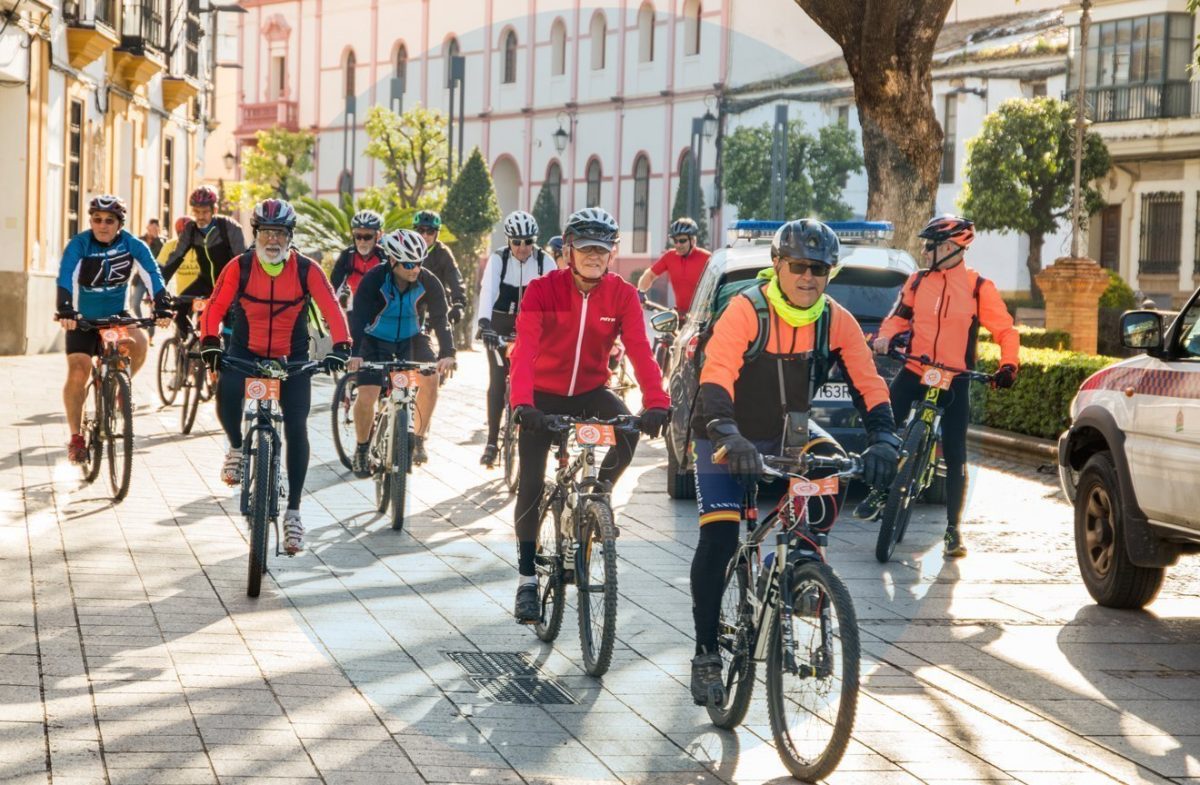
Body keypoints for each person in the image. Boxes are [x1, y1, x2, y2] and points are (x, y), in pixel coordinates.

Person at [685, 218, 901, 706]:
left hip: (790, 434)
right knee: (719, 536)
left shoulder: (834, 319)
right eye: (800, 266)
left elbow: (868, 383)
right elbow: (716, 377)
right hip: (725, 430)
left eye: (820, 269)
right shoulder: (746, 311)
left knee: (832, 462)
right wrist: (727, 434)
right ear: (778, 265)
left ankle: (804, 556)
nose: (809, 277)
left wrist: (885, 437)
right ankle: (705, 656)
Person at [507, 207, 671, 623]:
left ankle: (599, 495)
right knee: (529, 481)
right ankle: (527, 581)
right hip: (542, 396)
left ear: (612, 252)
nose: (595, 256)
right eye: (586, 248)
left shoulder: (621, 295)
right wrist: (522, 404)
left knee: (628, 432)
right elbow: (524, 350)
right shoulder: (543, 290)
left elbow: (639, 349)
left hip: (590, 392)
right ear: (569, 249)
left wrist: (656, 402)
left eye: (602, 249)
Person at [198, 199, 350, 556]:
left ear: (289, 236)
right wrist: (208, 341)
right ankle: (236, 446)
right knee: (227, 391)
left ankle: (294, 512)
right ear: (256, 234)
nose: (272, 240)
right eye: (266, 232)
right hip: (245, 351)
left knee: (297, 425)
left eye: (279, 233)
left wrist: (341, 345)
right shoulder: (240, 267)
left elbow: (331, 308)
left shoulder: (306, 270)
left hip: (291, 356)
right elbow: (215, 307)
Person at [865, 215, 1019, 559]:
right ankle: (878, 491)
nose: (924, 249)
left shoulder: (979, 287)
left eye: (930, 245)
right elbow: (897, 317)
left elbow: (1006, 331)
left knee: (955, 453)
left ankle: (953, 530)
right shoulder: (917, 282)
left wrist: (1008, 365)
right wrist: (885, 338)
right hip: (916, 369)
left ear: (949, 248)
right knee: (884, 423)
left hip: (956, 378)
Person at [56, 195, 172, 463]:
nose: (102, 225)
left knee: (140, 341)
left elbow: (152, 274)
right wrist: (65, 308)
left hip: (116, 318)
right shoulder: (79, 244)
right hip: (82, 319)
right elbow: (66, 276)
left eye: (109, 220)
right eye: (97, 219)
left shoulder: (133, 244)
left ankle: (121, 389)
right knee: (78, 371)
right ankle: (76, 438)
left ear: (120, 223)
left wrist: (162, 304)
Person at [347, 229, 457, 474]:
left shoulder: (428, 280)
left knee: (431, 378)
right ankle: (362, 448)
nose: (415, 269)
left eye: (419, 262)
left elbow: (441, 319)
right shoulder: (374, 279)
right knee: (367, 394)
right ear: (393, 260)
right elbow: (358, 319)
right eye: (409, 264)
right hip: (375, 340)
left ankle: (417, 439)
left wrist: (448, 353)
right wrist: (355, 352)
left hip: (412, 337)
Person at [474, 210, 554, 467]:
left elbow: (557, 297)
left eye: (528, 242)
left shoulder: (545, 261)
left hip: (532, 327)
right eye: (517, 242)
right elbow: (488, 292)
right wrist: (484, 324)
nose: (522, 248)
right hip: (499, 323)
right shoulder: (499, 259)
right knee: (498, 381)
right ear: (509, 240)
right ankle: (491, 442)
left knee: (536, 379)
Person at [161, 185, 247, 336]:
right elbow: (176, 257)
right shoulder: (191, 229)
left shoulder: (230, 227)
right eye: (196, 212)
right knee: (179, 309)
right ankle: (186, 351)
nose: (200, 217)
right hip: (204, 282)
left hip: (228, 284)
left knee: (230, 328)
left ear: (214, 210)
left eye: (205, 212)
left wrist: (241, 292)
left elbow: (242, 262)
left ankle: (227, 352)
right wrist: (159, 287)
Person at [636, 217, 711, 317]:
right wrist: (640, 292)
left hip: (701, 319)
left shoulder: (707, 258)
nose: (678, 244)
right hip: (679, 316)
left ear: (693, 240)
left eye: (682, 240)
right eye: (675, 241)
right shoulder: (670, 257)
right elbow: (650, 275)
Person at [413, 210, 467, 326]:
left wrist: (458, 303)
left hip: (438, 304)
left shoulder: (443, 253)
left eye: (430, 231)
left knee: (446, 341)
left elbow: (455, 278)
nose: (425, 235)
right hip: (412, 306)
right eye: (421, 230)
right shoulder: (407, 251)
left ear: (436, 233)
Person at [330, 210, 386, 308]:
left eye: (367, 237)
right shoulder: (347, 256)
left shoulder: (384, 257)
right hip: (353, 306)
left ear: (378, 235)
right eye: (358, 236)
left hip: (378, 308)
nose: (362, 241)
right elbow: (334, 286)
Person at [131, 218, 164, 342]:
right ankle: (141, 326)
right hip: (140, 278)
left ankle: (150, 336)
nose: (152, 230)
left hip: (153, 279)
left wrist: (157, 239)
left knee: (153, 308)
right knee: (135, 303)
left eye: (155, 228)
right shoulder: (140, 240)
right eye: (151, 228)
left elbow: (161, 260)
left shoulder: (161, 243)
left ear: (158, 229)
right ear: (147, 227)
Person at [157, 217, 198, 293]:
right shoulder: (170, 245)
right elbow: (160, 271)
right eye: (182, 235)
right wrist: (156, 292)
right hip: (182, 296)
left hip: (206, 296)